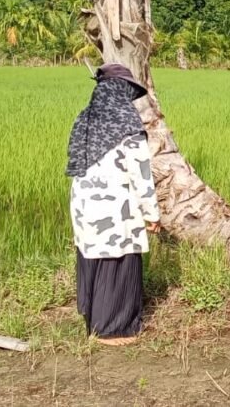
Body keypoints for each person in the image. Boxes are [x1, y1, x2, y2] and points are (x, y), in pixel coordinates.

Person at [66, 63, 161, 346]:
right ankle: (112, 330)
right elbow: (141, 173)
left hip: (84, 203)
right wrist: (152, 213)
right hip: (115, 204)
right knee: (117, 262)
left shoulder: (85, 118)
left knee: (93, 257)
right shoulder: (127, 123)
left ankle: (92, 317)